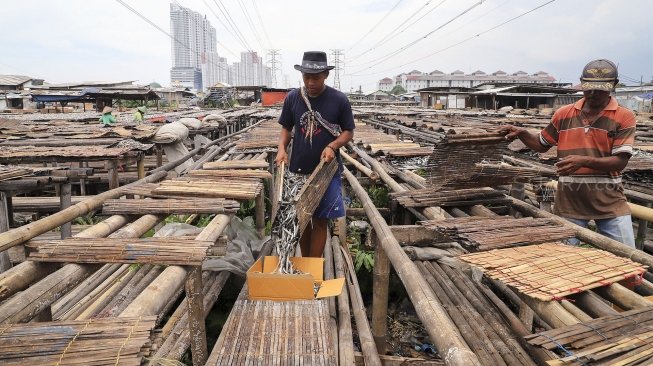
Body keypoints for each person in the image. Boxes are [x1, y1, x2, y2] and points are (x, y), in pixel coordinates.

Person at [499, 59, 636, 247]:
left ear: (614, 85)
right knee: (564, 259)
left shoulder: (623, 116)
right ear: (581, 82)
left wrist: (583, 161)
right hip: (569, 201)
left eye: (601, 88)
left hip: (609, 202)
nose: (593, 93)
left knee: (627, 259)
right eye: (589, 88)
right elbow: (541, 144)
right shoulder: (564, 114)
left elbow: (620, 162)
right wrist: (522, 133)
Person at [275, 51, 355, 257]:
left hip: (325, 172)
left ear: (325, 76)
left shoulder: (339, 100)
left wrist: (333, 145)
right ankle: (305, 263)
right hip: (298, 170)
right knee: (301, 218)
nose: (310, 82)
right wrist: (282, 149)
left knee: (320, 220)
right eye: (306, 77)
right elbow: (286, 128)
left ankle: (314, 264)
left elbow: (348, 132)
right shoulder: (293, 98)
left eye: (316, 78)